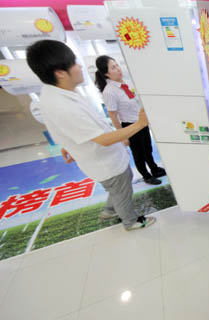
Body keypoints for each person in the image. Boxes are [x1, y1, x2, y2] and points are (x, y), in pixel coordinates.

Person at [26, 40, 155, 231]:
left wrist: (67, 144)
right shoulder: (62, 106)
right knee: (121, 189)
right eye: (75, 64)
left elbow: (66, 127)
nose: (80, 67)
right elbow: (103, 140)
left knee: (118, 187)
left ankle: (110, 210)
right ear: (60, 73)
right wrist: (141, 123)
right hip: (106, 161)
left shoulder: (56, 93)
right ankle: (131, 221)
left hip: (102, 157)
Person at [95, 55, 166, 185]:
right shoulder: (109, 92)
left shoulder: (125, 84)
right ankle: (146, 175)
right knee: (139, 154)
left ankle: (154, 168)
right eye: (113, 67)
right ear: (106, 73)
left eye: (117, 65)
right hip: (129, 126)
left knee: (148, 149)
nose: (118, 69)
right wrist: (122, 136)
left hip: (141, 123)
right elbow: (113, 115)